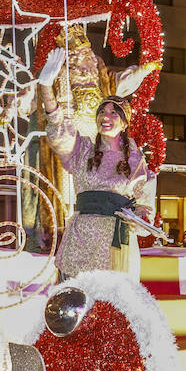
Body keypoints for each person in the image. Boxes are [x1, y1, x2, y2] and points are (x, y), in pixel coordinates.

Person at [39, 80, 157, 279]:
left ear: (125, 122)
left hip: (115, 243)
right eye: (102, 111)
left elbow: (144, 209)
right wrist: (46, 87)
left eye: (113, 112)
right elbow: (59, 129)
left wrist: (141, 217)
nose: (106, 116)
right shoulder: (82, 149)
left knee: (109, 301)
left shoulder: (135, 160)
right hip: (80, 239)